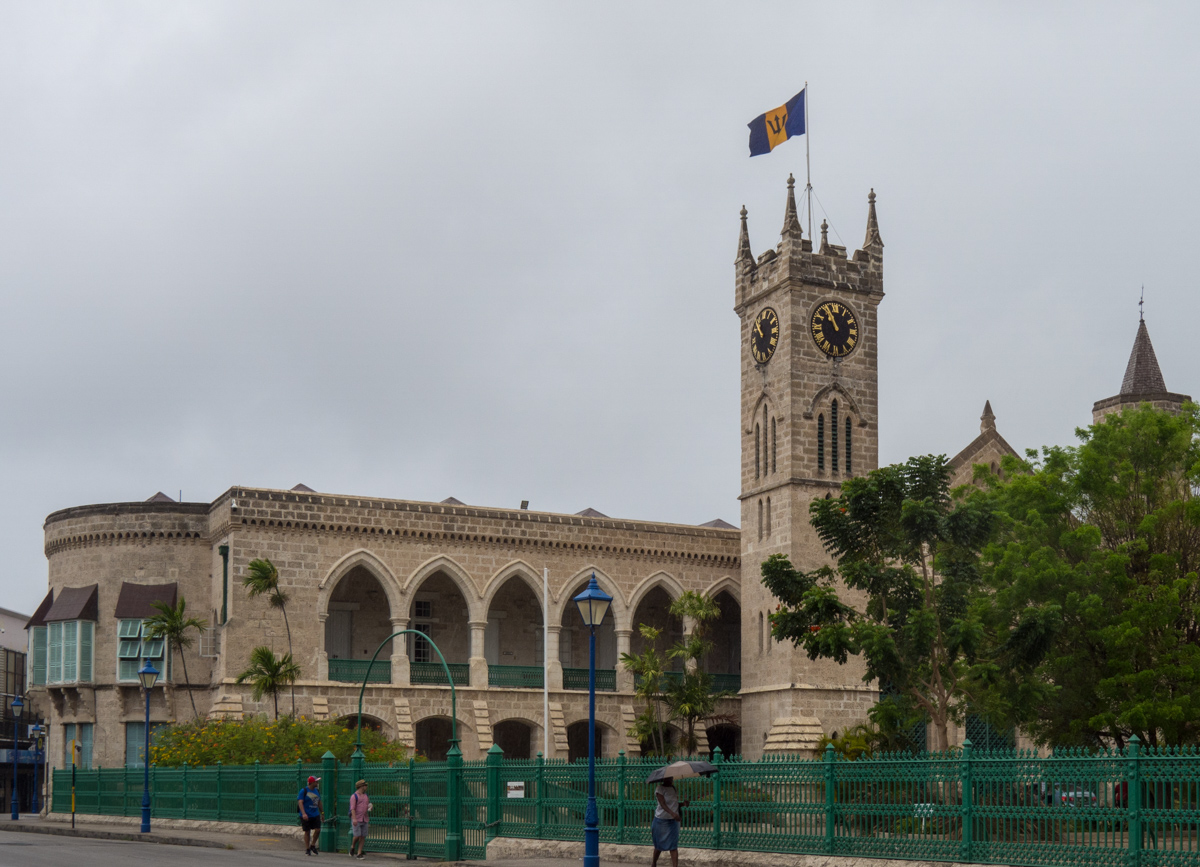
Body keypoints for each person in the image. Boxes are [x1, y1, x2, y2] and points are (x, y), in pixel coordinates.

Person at [651, 776, 681, 867]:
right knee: (659, 845)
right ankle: (654, 863)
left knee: (673, 845)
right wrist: (673, 813)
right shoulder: (659, 789)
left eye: (671, 778)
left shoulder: (673, 788)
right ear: (664, 779)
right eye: (669, 778)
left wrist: (683, 804)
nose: (671, 780)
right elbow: (662, 804)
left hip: (673, 821)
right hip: (661, 820)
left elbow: (674, 803)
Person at [297, 774, 324, 855]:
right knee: (307, 831)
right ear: (312, 783)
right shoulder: (304, 791)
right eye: (316, 782)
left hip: (315, 814)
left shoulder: (317, 791)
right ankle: (307, 848)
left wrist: (322, 813)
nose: (317, 783)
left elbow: (319, 802)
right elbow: (300, 802)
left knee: (318, 829)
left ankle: (313, 845)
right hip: (306, 814)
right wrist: (303, 813)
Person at [348, 779, 371, 859]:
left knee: (363, 836)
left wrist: (369, 807)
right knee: (357, 835)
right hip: (357, 818)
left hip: (364, 818)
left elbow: (367, 805)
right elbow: (352, 808)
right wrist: (354, 819)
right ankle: (353, 846)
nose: (366, 787)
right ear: (361, 786)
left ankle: (359, 853)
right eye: (365, 785)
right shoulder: (354, 796)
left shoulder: (366, 796)